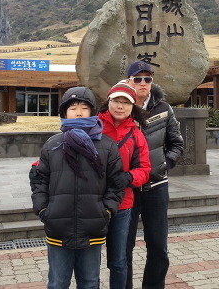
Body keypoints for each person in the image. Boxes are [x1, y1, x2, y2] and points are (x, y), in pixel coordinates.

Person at [30, 86, 124, 289]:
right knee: (57, 284)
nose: (79, 113)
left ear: (93, 111)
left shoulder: (107, 146)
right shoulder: (53, 144)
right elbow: (39, 180)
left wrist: (106, 211)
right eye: (73, 108)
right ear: (64, 113)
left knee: (89, 284)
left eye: (84, 107)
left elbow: (116, 184)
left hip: (92, 228)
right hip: (58, 227)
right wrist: (44, 210)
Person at [124, 61, 184, 289]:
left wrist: (164, 164)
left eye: (147, 79)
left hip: (156, 186)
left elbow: (177, 143)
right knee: (123, 248)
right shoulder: (120, 107)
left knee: (158, 247)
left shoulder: (164, 109)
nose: (143, 83)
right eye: (137, 78)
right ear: (129, 81)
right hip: (127, 189)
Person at [98, 82, 151, 289]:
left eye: (126, 102)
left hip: (122, 204)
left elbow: (144, 169)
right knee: (90, 259)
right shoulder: (94, 127)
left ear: (132, 107)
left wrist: (129, 177)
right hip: (93, 202)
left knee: (119, 260)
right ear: (108, 102)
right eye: (116, 101)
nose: (120, 106)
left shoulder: (137, 135)